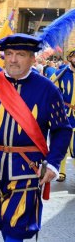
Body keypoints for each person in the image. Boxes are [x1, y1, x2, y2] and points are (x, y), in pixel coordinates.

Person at [0, 33, 72, 242]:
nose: (13, 59)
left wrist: (52, 164)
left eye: (20, 54)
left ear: (33, 58)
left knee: (16, 227)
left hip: (27, 169)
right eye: (9, 53)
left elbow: (62, 129)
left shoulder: (48, 89)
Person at [51, 48, 75, 182]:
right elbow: (50, 88)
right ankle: (62, 171)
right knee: (63, 143)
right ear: (70, 58)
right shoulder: (60, 73)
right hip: (65, 113)